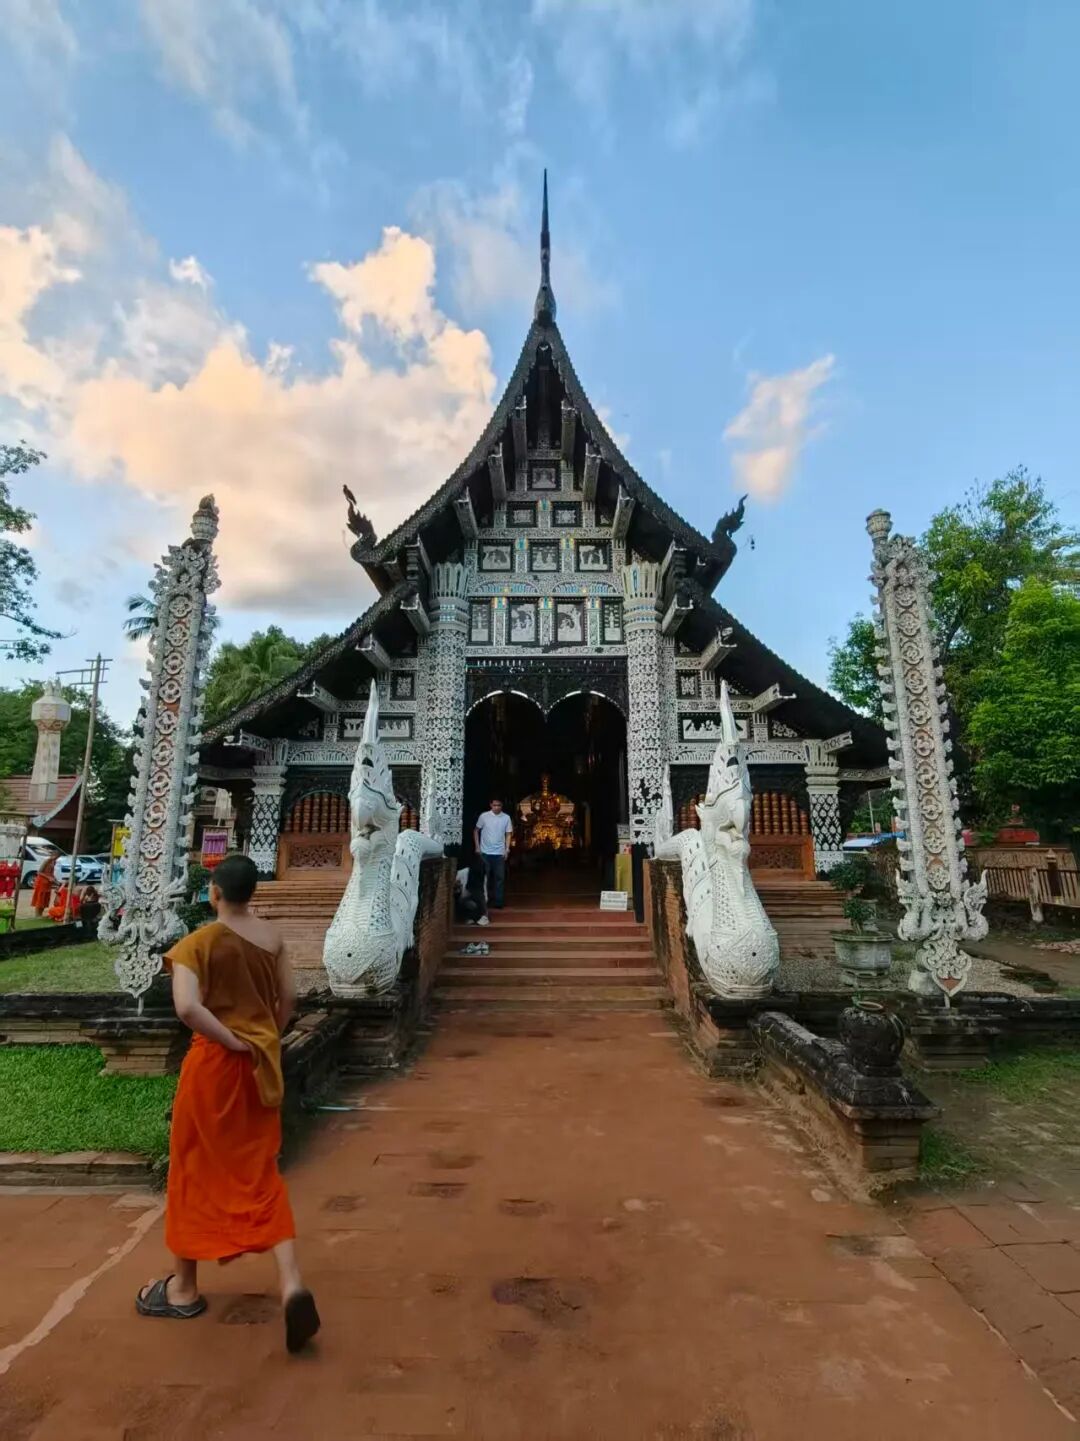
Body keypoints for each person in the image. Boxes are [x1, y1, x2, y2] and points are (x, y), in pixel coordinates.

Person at [135, 853, 320, 1355]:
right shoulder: (274, 939)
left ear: (214, 892)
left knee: (193, 1166)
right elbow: (289, 999)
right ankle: (292, 1284)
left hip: (215, 1067)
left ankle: (183, 1288)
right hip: (262, 1066)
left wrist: (233, 1041)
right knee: (259, 1169)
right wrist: (265, 1038)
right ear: (253, 893)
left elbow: (187, 1007)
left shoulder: (197, 944)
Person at [474, 798, 513, 910]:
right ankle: (483, 900)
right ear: (490, 805)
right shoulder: (484, 816)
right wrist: (477, 847)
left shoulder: (506, 818)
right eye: (495, 805)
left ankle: (498, 901)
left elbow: (508, 834)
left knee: (500, 878)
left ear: (502, 806)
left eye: (499, 805)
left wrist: (507, 849)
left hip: (499, 853)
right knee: (484, 877)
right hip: (485, 852)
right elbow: (476, 830)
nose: (497, 807)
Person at [454, 860, 489, 926]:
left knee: (477, 899)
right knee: (467, 903)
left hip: (478, 900)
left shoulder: (482, 877)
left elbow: (484, 893)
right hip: (465, 899)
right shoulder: (462, 873)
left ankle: (483, 916)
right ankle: (468, 918)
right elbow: (456, 887)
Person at [31, 853, 57, 917]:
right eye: (55, 856)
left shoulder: (54, 862)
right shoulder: (46, 861)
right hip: (41, 882)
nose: (56, 858)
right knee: (40, 898)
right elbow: (39, 872)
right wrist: (48, 877)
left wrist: (55, 879)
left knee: (45, 899)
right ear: (52, 855)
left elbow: (51, 872)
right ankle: (37, 915)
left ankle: (40, 914)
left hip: (48, 883)